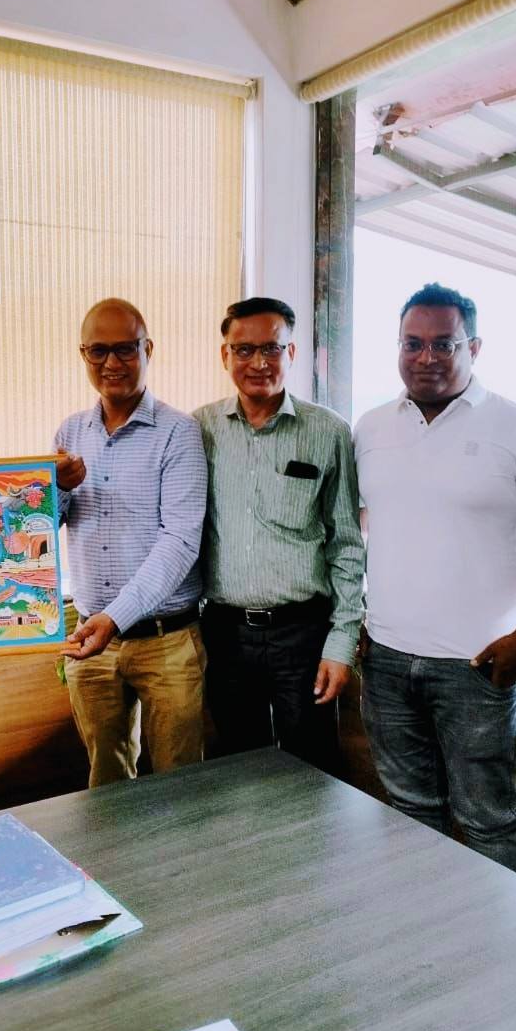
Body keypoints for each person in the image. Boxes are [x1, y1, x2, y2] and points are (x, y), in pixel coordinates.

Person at [353, 282, 516, 874]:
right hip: (386, 660)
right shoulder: (370, 427)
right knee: (409, 812)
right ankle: (426, 926)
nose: (427, 357)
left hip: (478, 667)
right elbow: (360, 533)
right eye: (412, 343)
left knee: (488, 818)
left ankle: (497, 935)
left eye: (444, 344)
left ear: (475, 347)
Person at [194, 297, 364, 772]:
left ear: (291, 353)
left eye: (271, 348)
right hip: (225, 634)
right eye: (244, 350)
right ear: (225, 355)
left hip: (303, 634)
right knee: (238, 771)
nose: (258, 362)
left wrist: (341, 643)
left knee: (314, 770)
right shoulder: (199, 430)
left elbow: (347, 545)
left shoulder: (328, 431)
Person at [54, 298, 208, 787]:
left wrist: (114, 617)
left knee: (178, 784)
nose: (112, 363)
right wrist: (59, 490)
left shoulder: (180, 433)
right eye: (98, 351)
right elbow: (38, 530)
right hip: (90, 642)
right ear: (83, 354)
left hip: (168, 641)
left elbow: (180, 542)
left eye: (126, 349)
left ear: (148, 349)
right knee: (106, 784)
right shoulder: (70, 432)